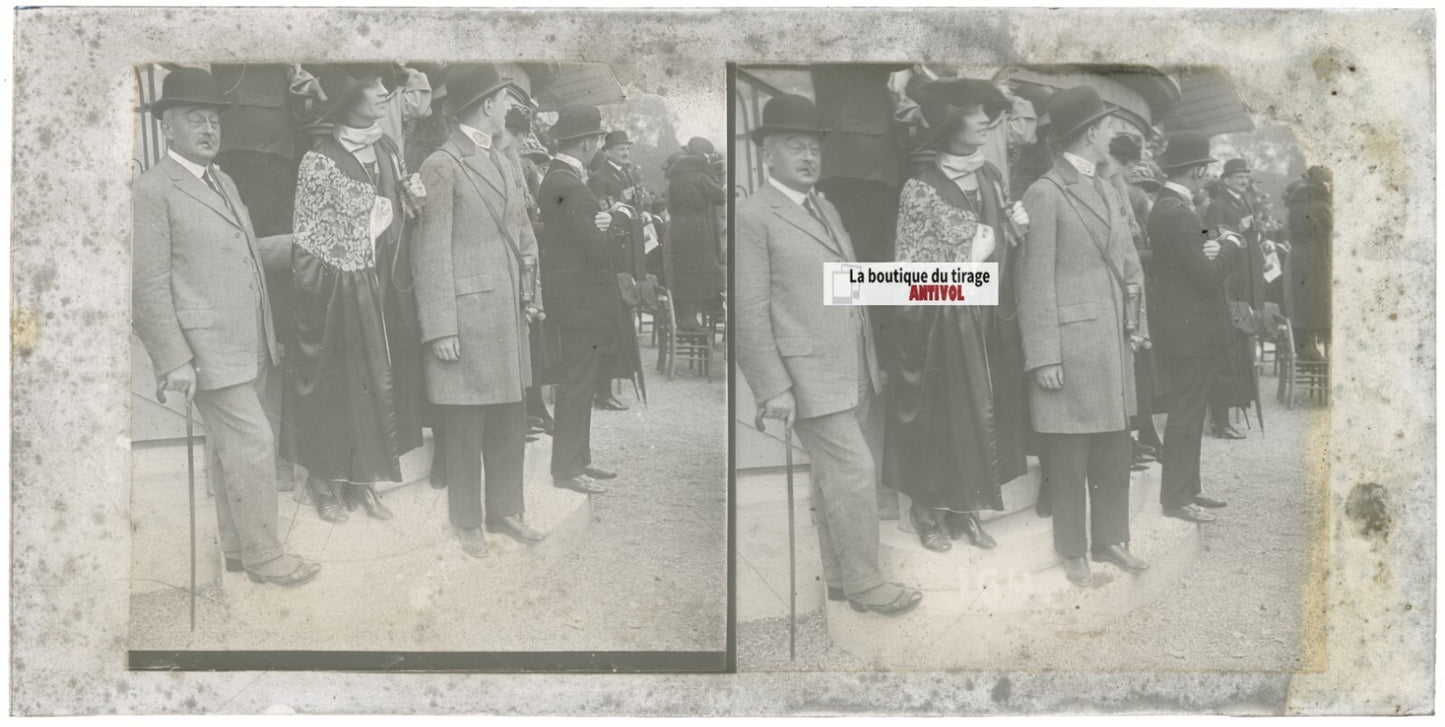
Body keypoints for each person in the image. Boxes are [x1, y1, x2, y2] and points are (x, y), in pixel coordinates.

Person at [132, 67, 320, 586]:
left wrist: (302, 243)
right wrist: (172, 358)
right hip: (206, 350)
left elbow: (246, 255)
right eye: (195, 119)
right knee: (255, 445)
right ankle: (265, 556)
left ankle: (238, 548)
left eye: (214, 119)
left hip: (252, 342)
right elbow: (146, 286)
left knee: (229, 450)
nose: (208, 129)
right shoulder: (152, 191)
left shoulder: (224, 180)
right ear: (167, 127)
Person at [735, 94, 922, 616]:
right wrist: (772, 386)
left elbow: (847, 286)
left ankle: (840, 578)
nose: (808, 157)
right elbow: (750, 312)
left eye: (814, 147)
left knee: (833, 477)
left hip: (855, 366)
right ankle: (867, 584)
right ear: (767, 154)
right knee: (855, 472)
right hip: (807, 373)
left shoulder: (825, 206)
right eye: (794, 147)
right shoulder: (752, 215)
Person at [883, 78, 1030, 553]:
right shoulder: (921, 187)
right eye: (973, 111)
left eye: (989, 110)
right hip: (938, 324)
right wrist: (966, 255)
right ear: (949, 121)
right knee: (938, 416)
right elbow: (907, 271)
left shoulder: (990, 176)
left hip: (986, 319)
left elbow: (1000, 249)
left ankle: (966, 510)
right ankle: (926, 511)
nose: (986, 118)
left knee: (982, 415)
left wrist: (1010, 233)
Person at [1017, 85, 1150, 587]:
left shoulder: (1108, 188)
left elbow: (1129, 264)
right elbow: (1034, 281)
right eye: (1106, 126)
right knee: (1070, 454)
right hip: (1070, 347)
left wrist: (1138, 325)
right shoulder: (1046, 193)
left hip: (1113, 342)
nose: (1111, 133)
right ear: (1090, 134)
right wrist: (1043, 355)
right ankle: (1073, 553)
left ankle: (1111, 539)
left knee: (1116, 446)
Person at [411, 64, 547, 556]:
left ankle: (505, 511)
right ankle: (467, 521)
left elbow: (521, 227)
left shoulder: (503, 159)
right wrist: (440, 327)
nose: (510, 108)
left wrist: (532, 280)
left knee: (510, 417)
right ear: (488, 104)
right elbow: (430, 252)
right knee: (466, 424)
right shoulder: (442, 165)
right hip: (465, 319)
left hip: (507, 313)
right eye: (505, 100)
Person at [1147, 131, 1241, 524]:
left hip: (1183, 327)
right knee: (1187, 412)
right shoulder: (1177, 211)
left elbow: (1200, 247)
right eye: (1207, 167)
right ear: (1199, 169)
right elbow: (1204, 275)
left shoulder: (1173, 206)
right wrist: (1233, 245)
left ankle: (1190, 487)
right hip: (1189, 330)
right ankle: (1176, 497)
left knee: (1192, 408)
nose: (1209, 173)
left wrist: (1216, 240)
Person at [536, 104, 623, 495]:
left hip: (569, 298)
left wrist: (598, 225)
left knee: (581, 382)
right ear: (589, 142)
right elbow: (595, 248)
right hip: (580, 302)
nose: (599, 145)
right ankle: (567, 469)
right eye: (599, 140)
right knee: (577, 383)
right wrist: (614, 227)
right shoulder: (569, 184)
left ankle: (579, 459)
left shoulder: (559, 179)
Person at [1202, 158, 1264, 440]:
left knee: (1239, 350)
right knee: (1228, 352)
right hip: (1229, 285)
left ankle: (1227, 413)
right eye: (1238, 175)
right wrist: (1236, 226)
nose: (1243, 179)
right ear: (1226, 179)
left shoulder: (1246, 201)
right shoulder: (1218, 204)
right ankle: (1220, 418)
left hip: (1244, 284)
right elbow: (1206, 234)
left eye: (1246, 175)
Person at [664, 136, 727, 332]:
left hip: (678, 225)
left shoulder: (676, 175)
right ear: (703, 155)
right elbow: (720, 197)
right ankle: (690, 320)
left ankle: (686, 317)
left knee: (683, 271)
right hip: (697, 226)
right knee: (698, 271)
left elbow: (670, 204)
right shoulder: (701, 175)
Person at [1287, 165, 1332, 360]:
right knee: (1316, 300)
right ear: (1323, 184)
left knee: (1303, 301)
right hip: (1316, 258)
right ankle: (1310, 346)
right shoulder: (1320, 205)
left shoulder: (1297, 203)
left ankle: (1305, 343)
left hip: (1300, 257)